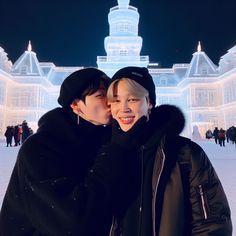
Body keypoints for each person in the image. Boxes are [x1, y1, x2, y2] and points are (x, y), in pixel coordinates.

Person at [97, 66, 232, 235]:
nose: (123, 108)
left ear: (150, 103)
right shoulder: (102, 152)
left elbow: (213, 225)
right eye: (116, 100)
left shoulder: (185, 154)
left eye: (133, 99)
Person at [0, 68, 114, 235]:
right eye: (101, 95)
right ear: (75, 105)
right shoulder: (40, 148)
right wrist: (116, 151)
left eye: (112, 96)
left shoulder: (101, 138)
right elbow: (71, 221)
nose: (111, 102)